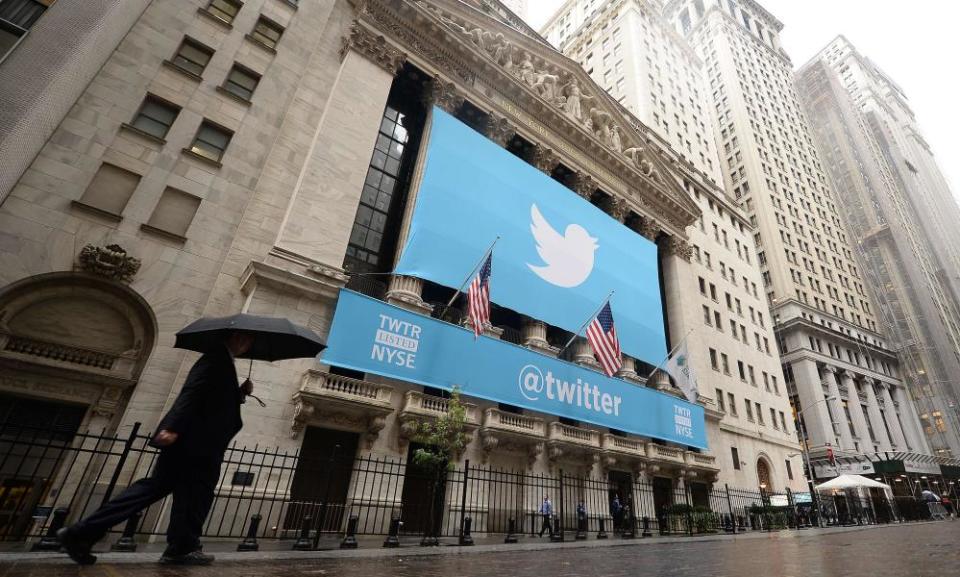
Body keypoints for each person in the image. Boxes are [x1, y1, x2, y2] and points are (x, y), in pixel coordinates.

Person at [58, 331, 255, 566]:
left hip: (199, 443)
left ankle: (179, 547)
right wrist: (172, 426)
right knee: (179, 492)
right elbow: (193, 391)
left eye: (249, 340)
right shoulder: (215, 358)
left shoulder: (222, 360)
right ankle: (82, 532)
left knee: (187, 496)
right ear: (233, 337)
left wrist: (239, 394)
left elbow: (212, 400)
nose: (247, 344)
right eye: (245, 338)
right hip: (195, 443)